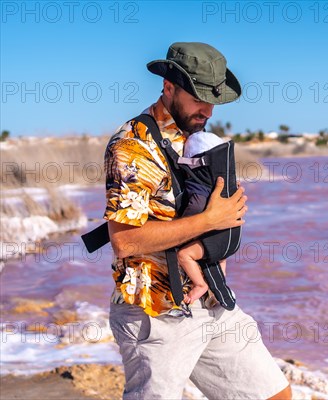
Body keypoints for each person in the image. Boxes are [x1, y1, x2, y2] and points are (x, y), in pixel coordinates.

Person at [106, 42, 292, 399]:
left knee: (275, 395)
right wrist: (210, 219)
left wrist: (229, 212)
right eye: (197, 98)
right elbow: (125, 241)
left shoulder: (198, 138)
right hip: (156, 314)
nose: (206, 110)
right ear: (168, 87)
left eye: (212, 99)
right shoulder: (132, 146)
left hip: (213, 301)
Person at [178, 130, 227, 305]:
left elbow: (196, 207)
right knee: (221, 257)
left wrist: (180, 223)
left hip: (208, 240)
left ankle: (200, 285)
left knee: (184, 255)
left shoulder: (199, 186)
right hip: (227, 239)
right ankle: (220, 284)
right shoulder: (224, 183)